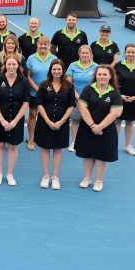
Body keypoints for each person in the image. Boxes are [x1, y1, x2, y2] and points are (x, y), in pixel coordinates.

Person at [75, 65, 123, 192]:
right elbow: (82, 108)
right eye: (99, 74)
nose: (101, 77)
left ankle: (99, 180)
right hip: (87, 128)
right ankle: (87, 178)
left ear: (110, 76)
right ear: (95, 76)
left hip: (106, 130)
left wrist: (99, 127)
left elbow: (115, 113)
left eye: (104, 74)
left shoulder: (115, 93)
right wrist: (92, 126)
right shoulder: (88, 89)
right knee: (88, 154)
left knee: (101, 156)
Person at [35, 59, 75, 190]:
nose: (57, 71)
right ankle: (46, 176)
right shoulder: (43, 84)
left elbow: (71, 106)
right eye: (54, 69)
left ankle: (55, 177)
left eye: (59, 69)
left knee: (58, 150)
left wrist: (61, 121)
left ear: (63, 70)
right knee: (45, 149)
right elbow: (39, 104)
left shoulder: (69, 86)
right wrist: (48, 121)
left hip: (61, 124)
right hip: (44, 123)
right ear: (50, 70)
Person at [0, 56, 30, 186]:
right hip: (0, 119)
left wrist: (15, 121)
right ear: (5, 65)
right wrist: (2, 120)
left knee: (13, 147)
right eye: (9, 64)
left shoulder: (24, 81)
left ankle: (10, 174)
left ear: (18, 66)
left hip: (16, 120)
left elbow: (25, 103)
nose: (11, 67)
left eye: (14, 64)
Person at [114, 44, 135, 156]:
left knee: (130, 122)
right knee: (117, 121)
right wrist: (120, 95)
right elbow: (113, 82)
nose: (131, 54)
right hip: (119, 99)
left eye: (133, 52)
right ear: (125, 53)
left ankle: (128, 145)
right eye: (128, 52)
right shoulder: (118, 66)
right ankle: (113, 146)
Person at [25, 36, 55, 150]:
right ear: (37, 45)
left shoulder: (54, 58)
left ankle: (44, 138)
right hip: (34, 92)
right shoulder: (31, 58)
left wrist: (47, 89)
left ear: (48, 45)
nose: (43, 46)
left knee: (47, 115)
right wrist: (38, 89)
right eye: (41, 44)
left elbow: (55, 75)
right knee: (33, 115)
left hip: (49, 92)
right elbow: (28, 76)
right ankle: (31, 139)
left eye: (45, 44)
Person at [66, 45, 98, 152]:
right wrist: (76, 95)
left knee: (89, 120)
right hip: (76, 97)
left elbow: (97, 83)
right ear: (79, 54)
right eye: (83, 53)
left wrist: (89, 97)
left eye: (87, 53)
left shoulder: (95, 66)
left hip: (91, 98)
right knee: (75, 120)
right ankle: (74, 142)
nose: (85, 55)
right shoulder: (73, 65)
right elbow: (69, 82)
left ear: (90, 54)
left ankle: (87, 142)